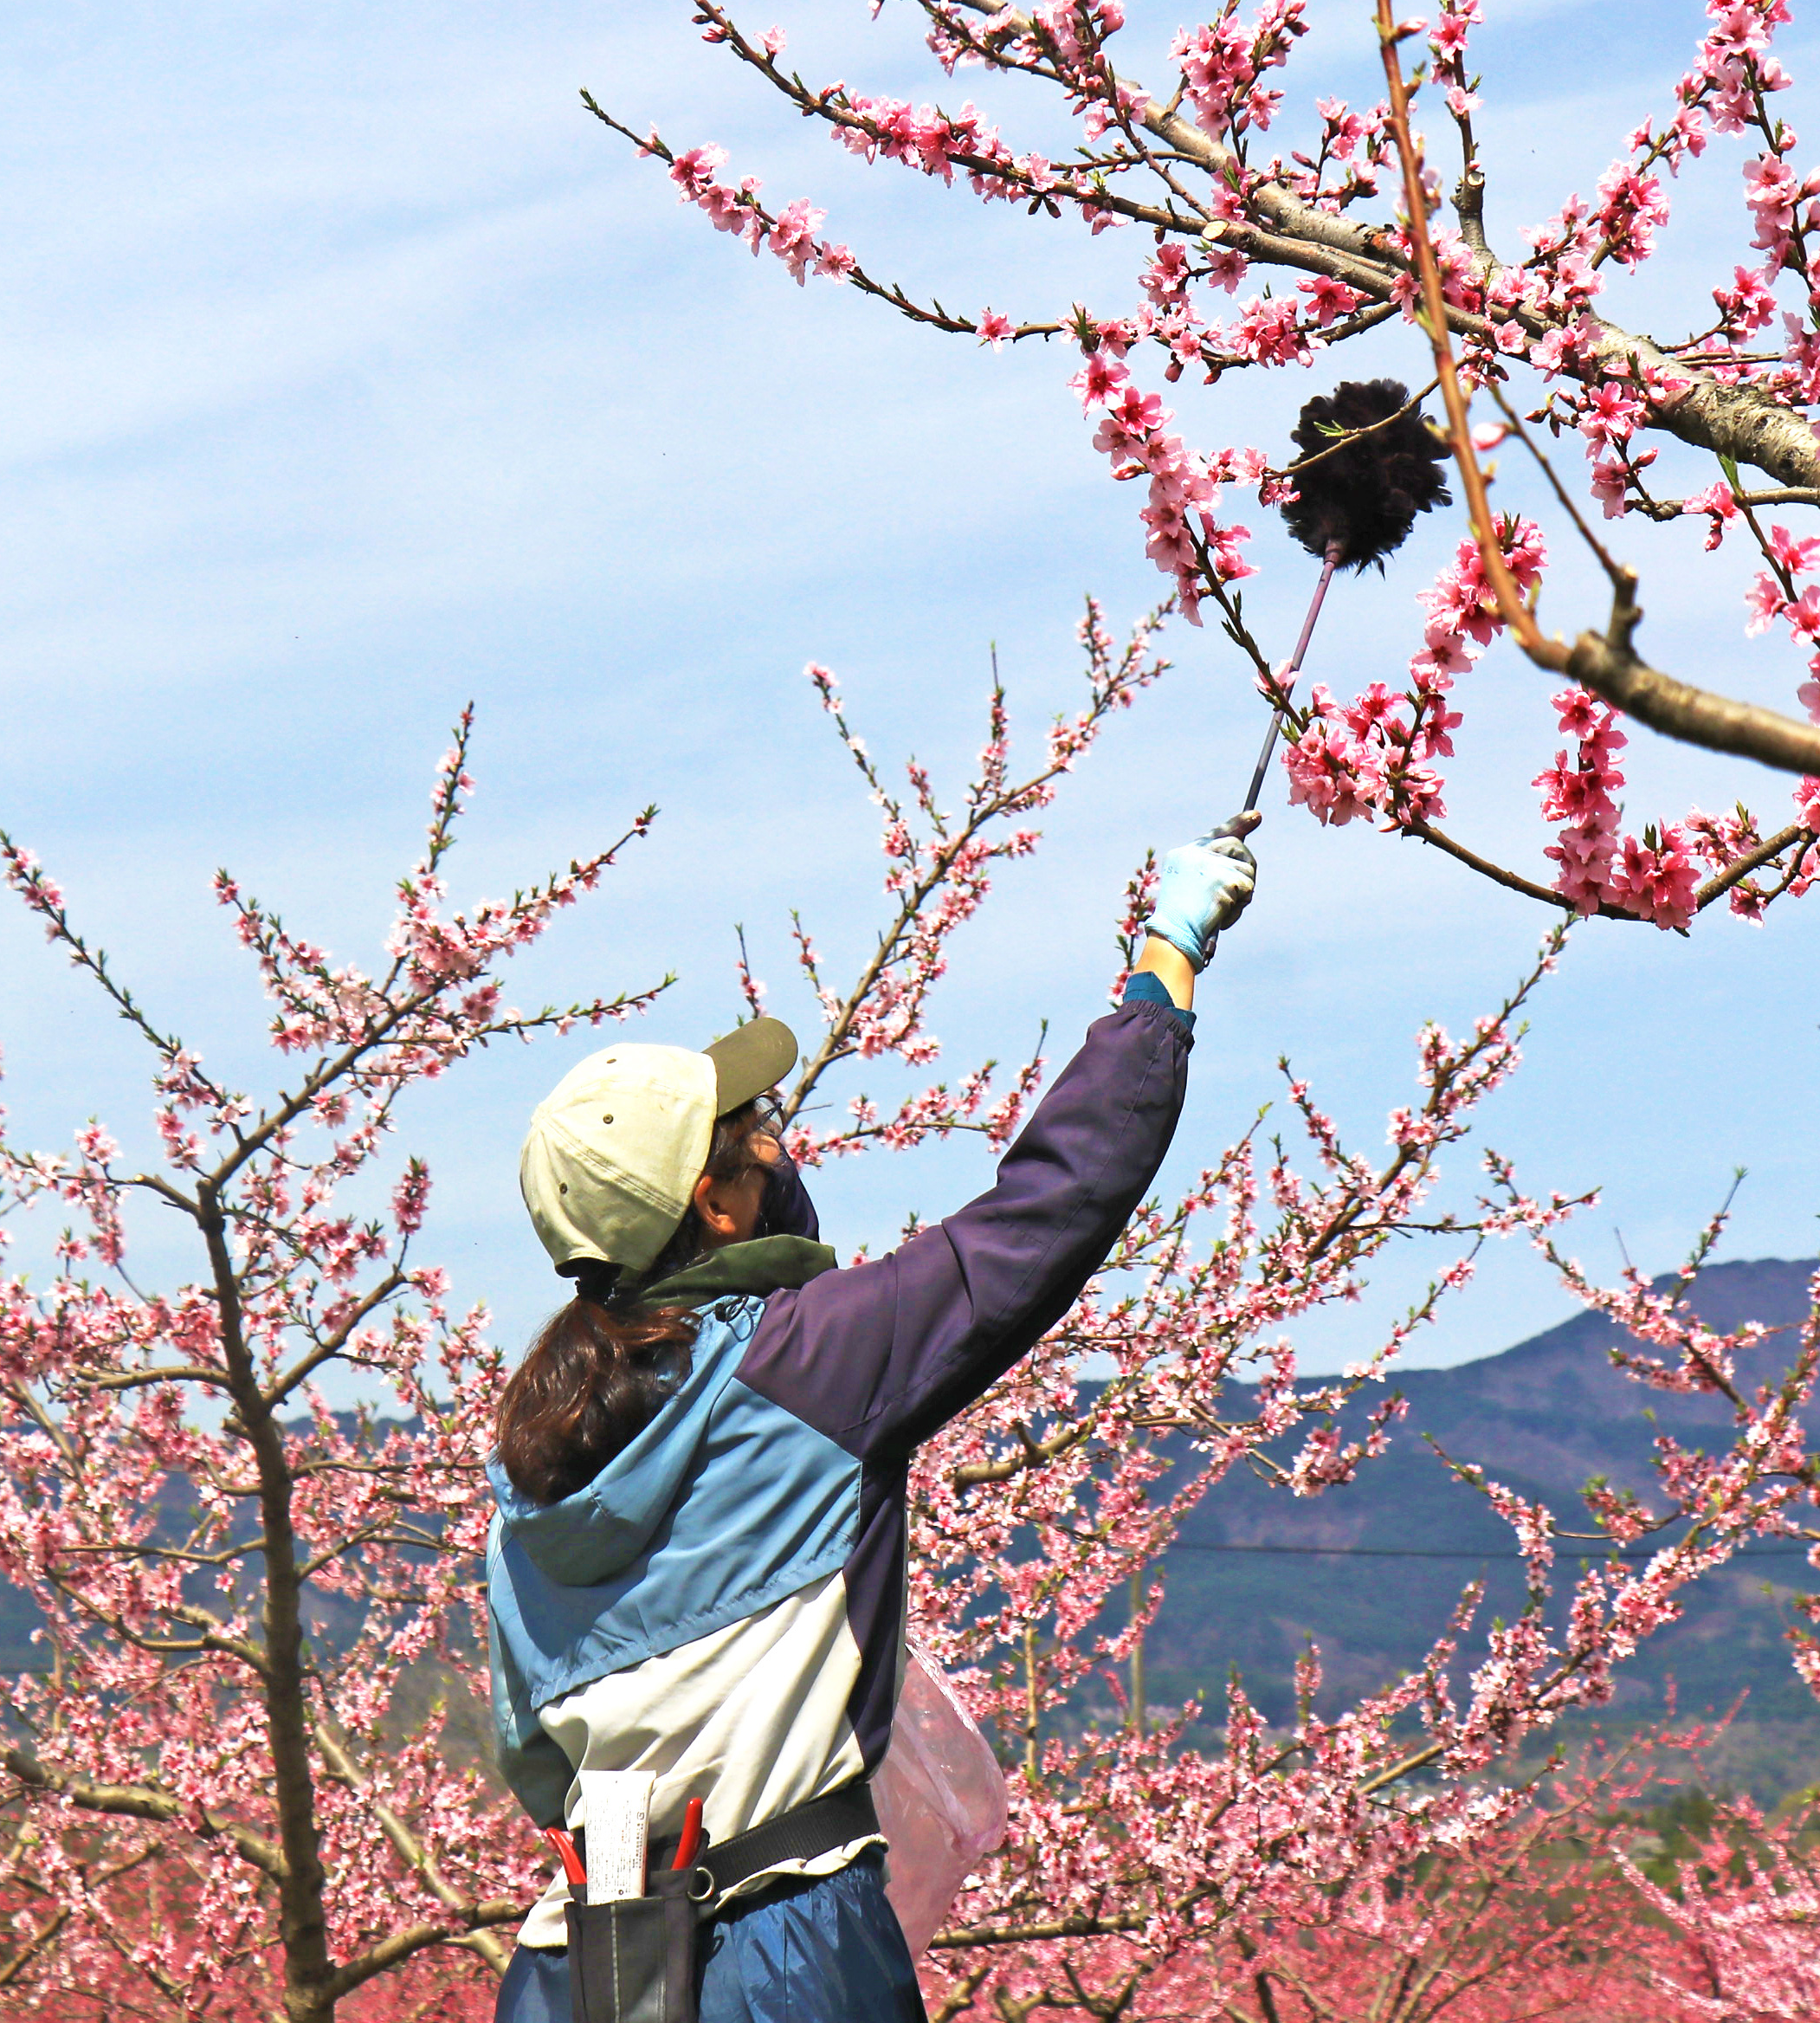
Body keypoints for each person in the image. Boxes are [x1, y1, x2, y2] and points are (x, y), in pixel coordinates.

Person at [487, 818, 1259, 2023]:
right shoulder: (807, 1364)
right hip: (782, 1948)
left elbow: (534, 1758)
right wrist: (1164, 968)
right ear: (716, 1204)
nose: (776, 1139)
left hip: (580, 1965)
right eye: (757, 1135)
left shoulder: (529, 1467)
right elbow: (1045, 1210)